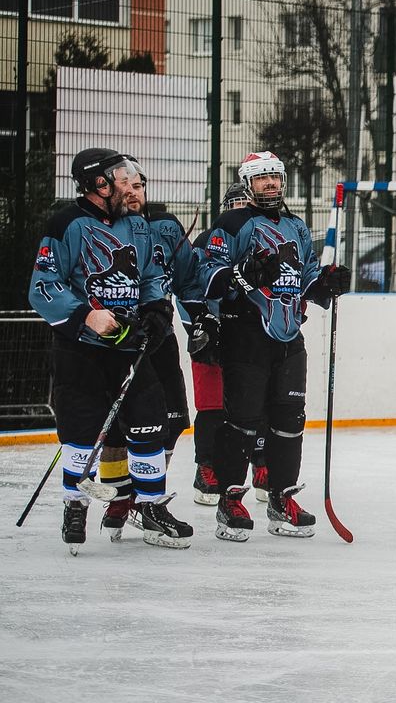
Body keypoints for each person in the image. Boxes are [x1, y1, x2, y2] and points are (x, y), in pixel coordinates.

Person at [28, 147, 194, 552]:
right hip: (81, 349)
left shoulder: (136, 224)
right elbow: (43, 286)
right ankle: (75, 504)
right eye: (119, 175)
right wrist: (86, 315)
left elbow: (153, 274)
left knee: (149, 424)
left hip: (129, 346)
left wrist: (156, 308)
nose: (128, 181)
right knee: (81, 432)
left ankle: (151, 504)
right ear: (98, 184)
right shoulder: (66, 223)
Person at [194, 151, 350, 542]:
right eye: (262, 178)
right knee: (243, 419)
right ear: (248, 183)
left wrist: (325, 284)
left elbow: (307, 275)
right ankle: (230, 500)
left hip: (288, 336)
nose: (271, 185)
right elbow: (207, 275)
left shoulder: (296, 225)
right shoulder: (232, 223)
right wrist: (241, 273)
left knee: (289, 420)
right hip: (245, 333)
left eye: (276, 178)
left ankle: (281, 497)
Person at [95, 156, 207, 541]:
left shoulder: (164, 225)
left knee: (174, 419)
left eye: (139, 186)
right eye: (127, 188)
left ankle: (148, 499)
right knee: (115, 423)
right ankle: (121, 497)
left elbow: (189, 278)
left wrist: (200, 320)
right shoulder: (103, 227)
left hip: (158, 337)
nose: (134, 194)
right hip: (115, 340)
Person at [188, 183, 268, 507]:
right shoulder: (207, 242)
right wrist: (199, 326)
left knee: (257, 403)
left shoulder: (266, 238)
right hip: (213, 331)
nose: (240, 208)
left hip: (250, 334)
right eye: (234, 203)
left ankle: (262, 466)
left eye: (245, 203)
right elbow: (189, 287)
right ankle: (206, 467)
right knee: (211, 404)